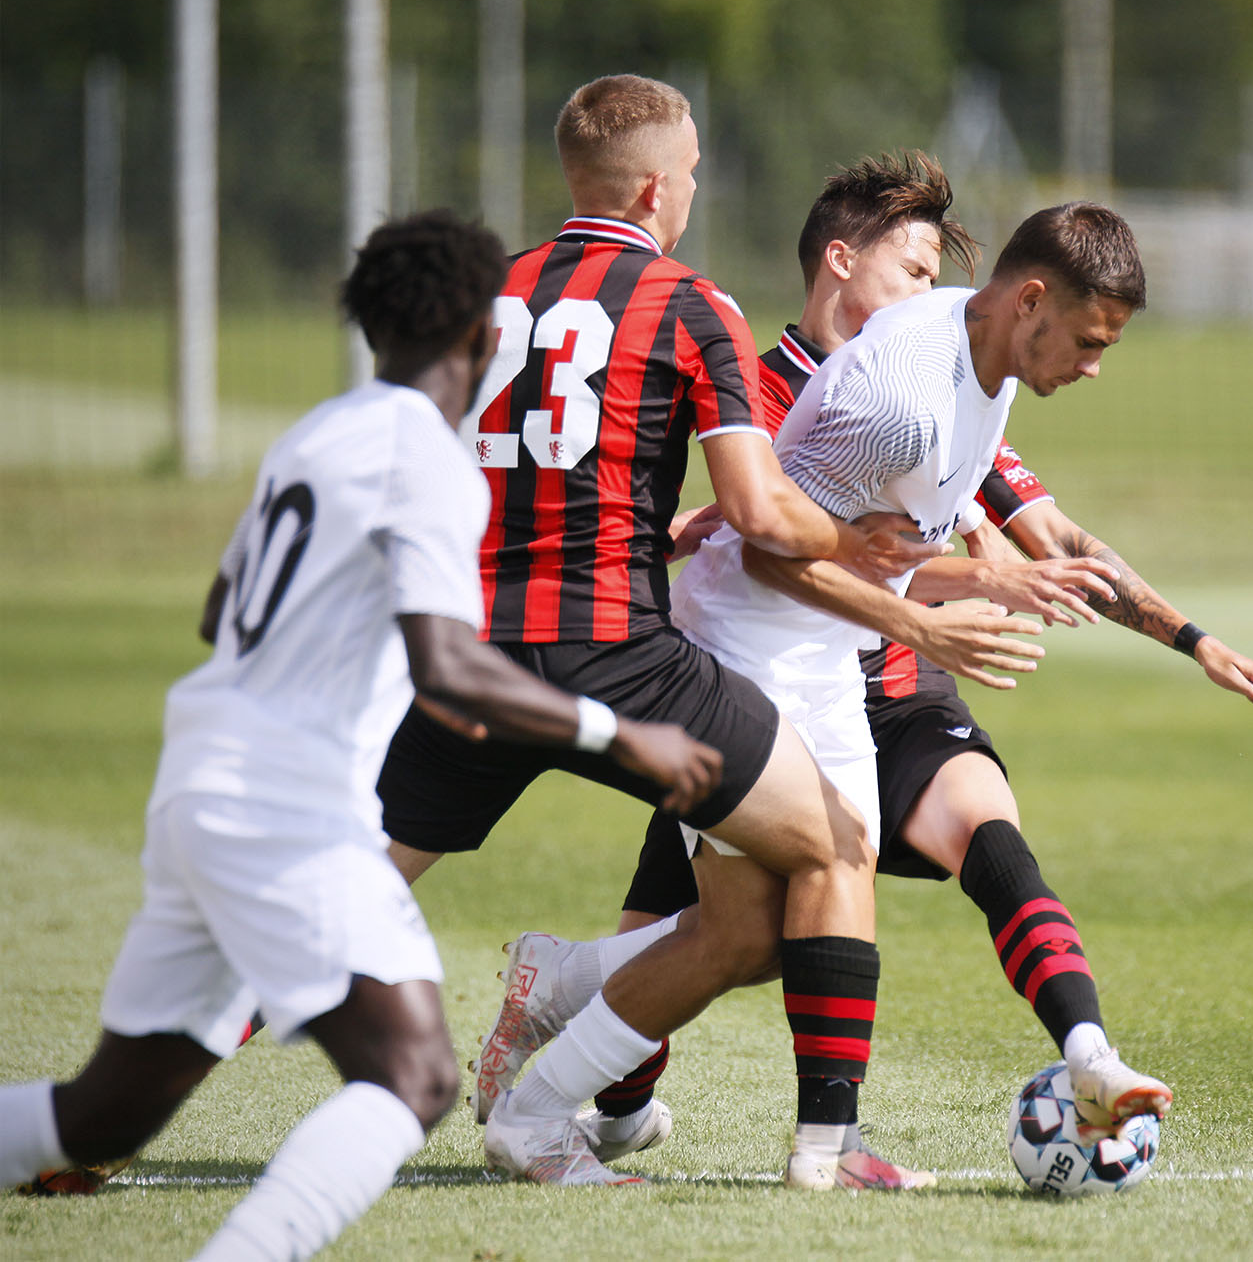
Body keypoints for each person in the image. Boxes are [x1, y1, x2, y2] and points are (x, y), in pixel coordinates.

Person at [514, 161, 1253, 1162]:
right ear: (843, 262)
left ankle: (892, 1127)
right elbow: (765, 547)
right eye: (913, 265)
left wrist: (1194, 640)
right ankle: (575, 1052)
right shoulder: (861, 390)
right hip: (753, 656)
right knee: (740, 933)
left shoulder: (973, 354)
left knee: (875, 873)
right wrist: (948, 602)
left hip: (863, 669)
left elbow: (1042, 539)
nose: (928, 286)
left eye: (934, 271)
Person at [0, 211, 724, 1256]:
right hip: (284, 804)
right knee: (414, 1077)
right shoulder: (426, 458)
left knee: (102, 1114)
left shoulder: (320, 431)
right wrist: (618, 733)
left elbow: (219, 609)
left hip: (199, 781)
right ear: (485, 332)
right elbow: (447, 663)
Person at [374, 77, 1039, 1191]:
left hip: (471, 651)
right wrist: (867, 547)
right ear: (654, 190)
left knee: (348, 886)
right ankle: (577, 1104)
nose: (692, 187)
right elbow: (762, 515)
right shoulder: (691, 304)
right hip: (620, 656)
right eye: (688, 171)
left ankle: (101, 1113)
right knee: (829, 853)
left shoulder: (480, 295)